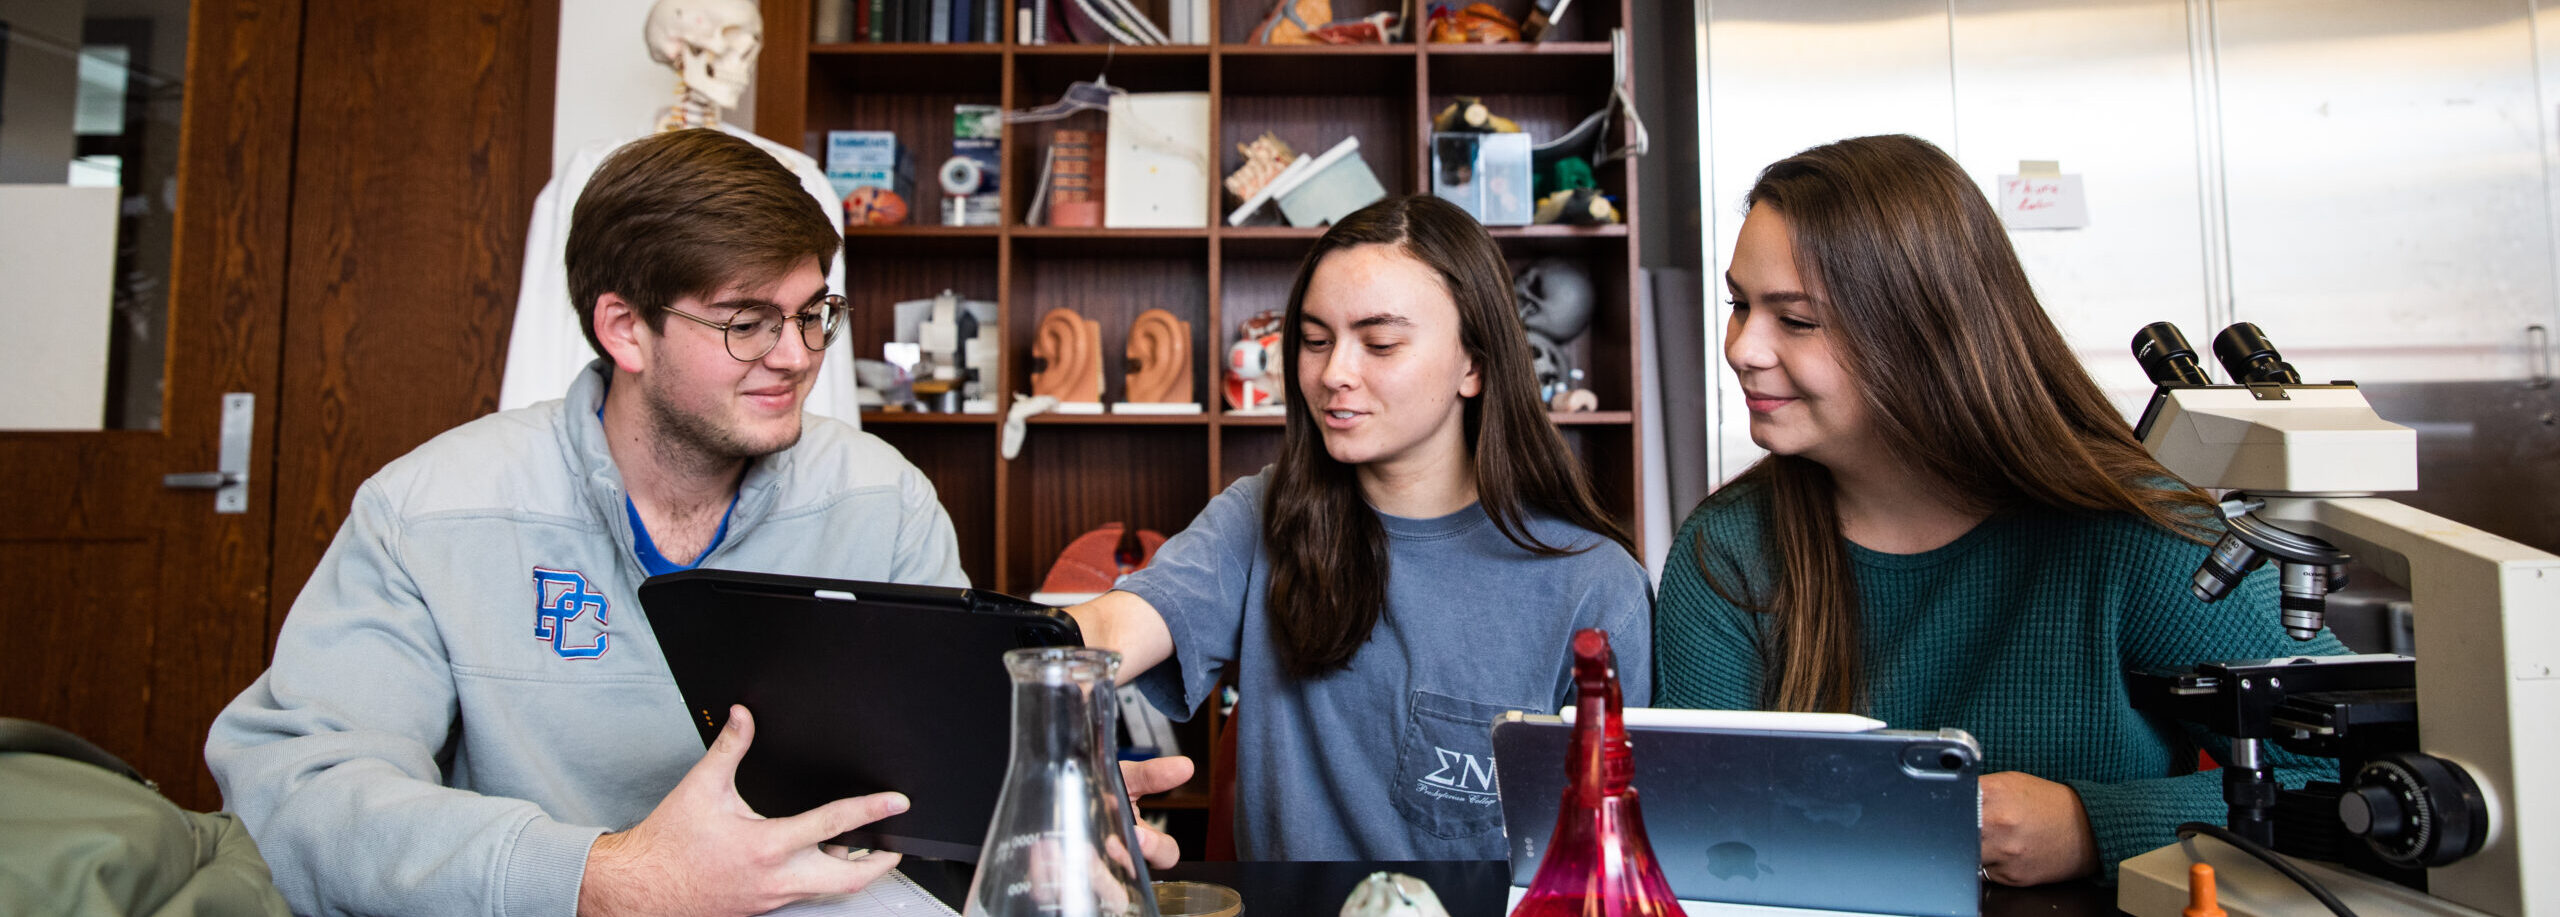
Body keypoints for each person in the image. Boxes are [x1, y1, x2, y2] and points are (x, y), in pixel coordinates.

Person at [205, 129, 1185, 917]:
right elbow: (304, 791)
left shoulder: (878, 499)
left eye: (813, 314)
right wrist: (600, 880)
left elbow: (927, 783)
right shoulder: (435, 508)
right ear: (624, 326)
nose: (795, 356)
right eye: (745, 321)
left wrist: (1040, 807)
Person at [1653, 134, 2350, 886]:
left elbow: (2357, 780)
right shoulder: (1725, 550)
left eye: (1794, 319)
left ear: (1922, 332)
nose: (1743, 348)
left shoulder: (2131, 532)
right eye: (1740, 305)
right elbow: (1698, 834)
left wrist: (2093, 826)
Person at [1066, 194, 1653, 861]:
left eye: (1379, 343)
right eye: (1315, 341)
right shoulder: (1261, 515)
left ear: (1474, 363)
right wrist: (1055, 756)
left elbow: (1612, 865)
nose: (1333, 374)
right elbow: (1108, 631)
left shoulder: (1595, 588)